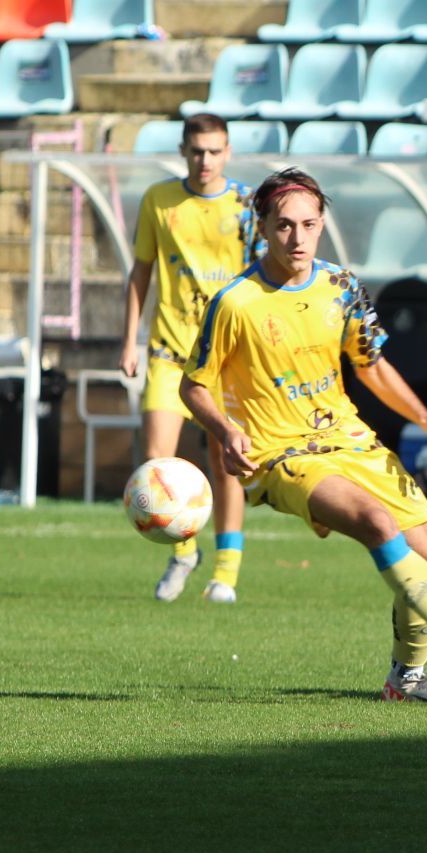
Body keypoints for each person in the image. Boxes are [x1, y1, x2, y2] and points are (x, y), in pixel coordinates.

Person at [181, 167, 427, 704]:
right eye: (285, 226)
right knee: (378, 524)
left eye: (309, 225)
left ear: (322, 225)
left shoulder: (340, 285)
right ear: (262, 226)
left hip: (351, 440)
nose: (298, 238)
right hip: (282, 453)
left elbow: (371, 364)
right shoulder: (235, 302)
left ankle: (405, 681)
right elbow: (193, 386)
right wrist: (224, 429)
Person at [121, 114, 254, 604]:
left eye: (215, 151)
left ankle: (227, 570)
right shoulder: (159, 199)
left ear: (228, 151)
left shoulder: (245, 205)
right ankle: (183, 552)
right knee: (159, 459)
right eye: (197, 151)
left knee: (226, 460)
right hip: (168, 350)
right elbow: (141, 272)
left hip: (225, 356)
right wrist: (128, 339)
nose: (205, 160)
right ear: (184, 150)